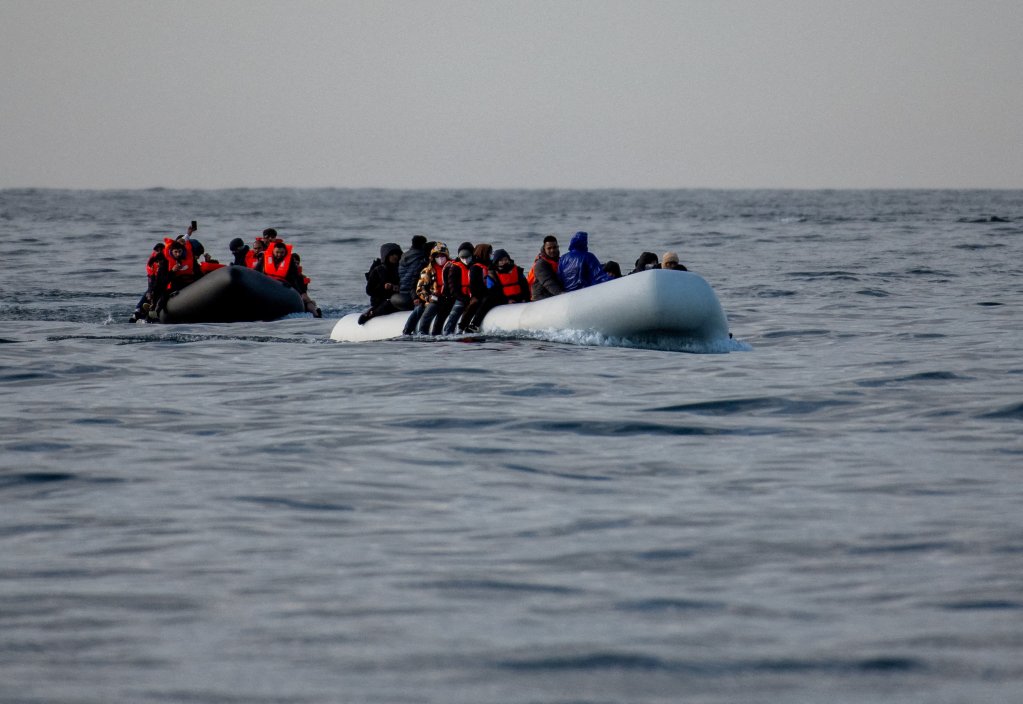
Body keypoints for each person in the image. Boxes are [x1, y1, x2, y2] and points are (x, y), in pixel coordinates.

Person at [464, 248, 528, 332]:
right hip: (502, 298)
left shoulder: (517, 271)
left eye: (506, 259)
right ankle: (474, 324)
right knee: (487, 300)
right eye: (501, 260)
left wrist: (524, 299)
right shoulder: (492, 274)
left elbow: (525, 286)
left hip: (518, 297)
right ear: (496, 262)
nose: (504, 262)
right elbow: (494, 292)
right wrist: (507, 300)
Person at [257, 240, 321, 315]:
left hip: (283, 285)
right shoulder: (265, 257)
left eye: (282, 253)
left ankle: (316, 314)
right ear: (273, 251)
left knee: (306, 300)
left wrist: (302, 293)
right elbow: (256, 271)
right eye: (277, 252)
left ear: (285, 252)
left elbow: (295, 277)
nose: (279, 255)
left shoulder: (289, 261)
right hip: (268, 283)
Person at [358, 242, 402, 325]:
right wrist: (383, 287)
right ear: (386, 256)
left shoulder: (401, 269)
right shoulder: (378, 270)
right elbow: (369, 290)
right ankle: (371, 313)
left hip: (397, 298)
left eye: (397, 254)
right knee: (388, 305)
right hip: (380, 300)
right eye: (392, 254)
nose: (395, 257)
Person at [415, 243, 451, 334]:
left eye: (442, 256)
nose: (440, 258)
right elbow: (420, 289)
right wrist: (428, 298)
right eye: (437, 256)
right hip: (435, 299)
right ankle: (422, 334)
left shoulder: (452, 267)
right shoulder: (428, 270)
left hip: (449, 298)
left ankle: (438, 333)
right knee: (426, 317)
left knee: (441, 317)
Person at [457, 243, 493, 333]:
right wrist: (484, 293)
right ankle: (470, 324)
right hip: (477, 294)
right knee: (478, 302)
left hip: (486, 293)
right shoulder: (475, 268)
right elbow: (474, 286)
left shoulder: (489, 266)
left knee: (488, 299)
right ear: (483, 253)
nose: (491, 255)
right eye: (489, 253)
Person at [441, 241, 474, 335]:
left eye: (468, 256)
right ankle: (447, 332)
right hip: (460, 297)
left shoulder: (475, 266)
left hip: (473, 296)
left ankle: (468, 328)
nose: (466, 259)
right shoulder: (454, 268)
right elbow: (453, 288)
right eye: (463, 257)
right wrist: (463, 298)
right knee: (455, 312)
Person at [399, 235, 430, 333]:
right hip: (412, 292)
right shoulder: (420, 258)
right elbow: (415, 279)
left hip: (402, 291)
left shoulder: (404, 256)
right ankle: (409, 330)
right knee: (420, 307)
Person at [527, 235, 563, 301]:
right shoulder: (540, 264)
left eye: (554, 247)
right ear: (544, 248)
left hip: (553, 295)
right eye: (549, 248)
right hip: (539, 298)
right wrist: (562, 294)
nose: (552, 250)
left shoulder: (560, 260)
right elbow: (548, 282)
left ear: (558, 247)